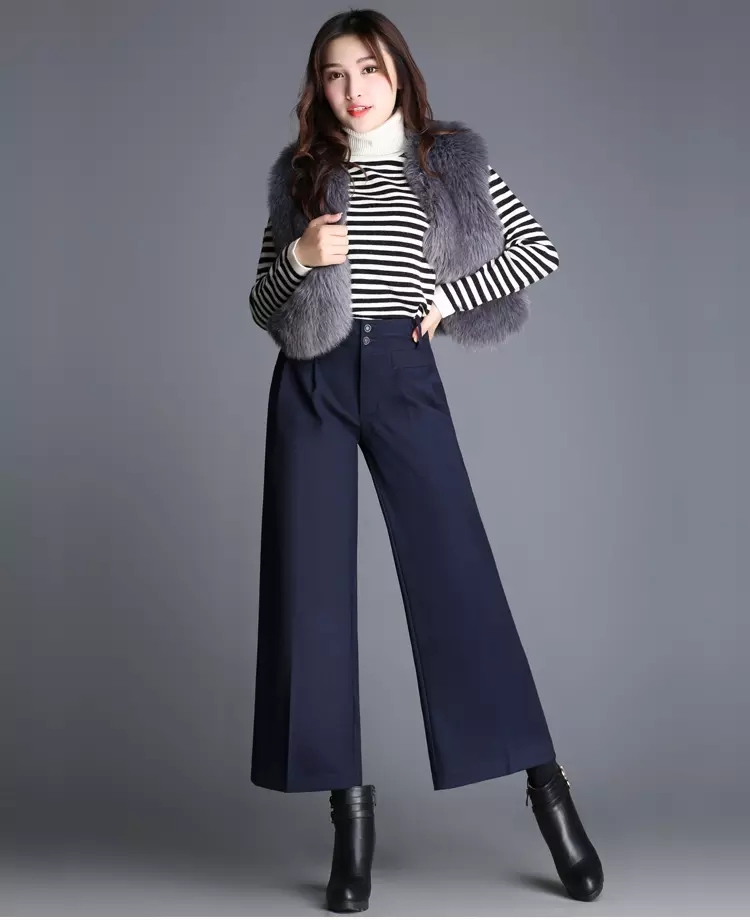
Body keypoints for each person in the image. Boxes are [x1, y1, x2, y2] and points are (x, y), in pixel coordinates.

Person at [247, 8, 603, 912]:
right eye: (335, 74)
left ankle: (549, 791)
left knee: (458, 580)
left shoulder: (447, 162)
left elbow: (536, 250)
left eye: (368, 68)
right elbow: (262, 302)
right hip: (313, 382)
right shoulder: (302, 174)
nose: (353, 89)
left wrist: (446, 299)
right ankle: (351, 828)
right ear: (319, 87)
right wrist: (300, 256)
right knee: (311, 599)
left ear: (398, 71)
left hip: (403, 377)